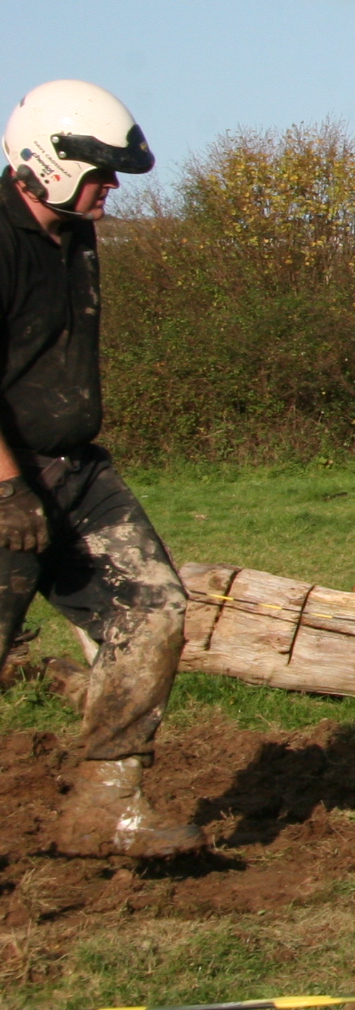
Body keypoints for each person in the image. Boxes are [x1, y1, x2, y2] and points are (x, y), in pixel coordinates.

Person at [0, 79, 203, 856]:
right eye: (100, 173)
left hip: (75, 471)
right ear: (46, 162)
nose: (111, 188)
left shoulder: (76, 234)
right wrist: (9, 487)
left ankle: (105, 807)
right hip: (6, 480)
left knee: (154, 610)